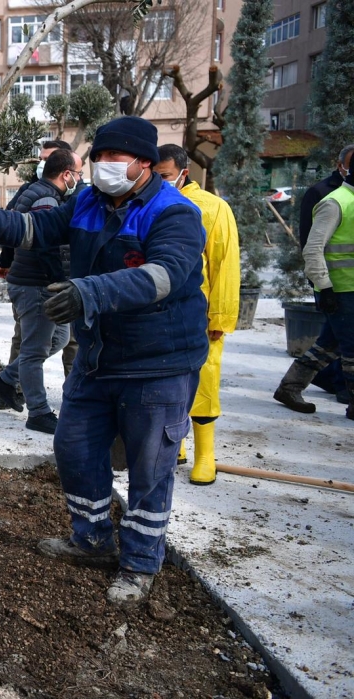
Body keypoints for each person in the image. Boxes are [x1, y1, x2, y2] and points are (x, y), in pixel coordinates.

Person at [0, 116, 208, 605]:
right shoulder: (88, 202)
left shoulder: (173, 212)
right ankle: (91, 538)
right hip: (98, 358)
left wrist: (86, 292)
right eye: (99, 158)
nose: (104, 167)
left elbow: (164, 276)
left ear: (143, 163)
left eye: (115, 159)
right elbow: (34, 228)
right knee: (73, 449)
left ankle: (139, 563)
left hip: (157, 362)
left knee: (149, 467)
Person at [153, 145, 240, 485]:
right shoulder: (146, 205)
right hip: (159, 313)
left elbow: (225, 265)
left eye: (165, 176)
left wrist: (219, 317)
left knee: (204, 383)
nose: (159, 182)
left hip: (199, 315)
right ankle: (178, 443)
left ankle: (206, 455)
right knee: (166, 383)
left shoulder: (213, 208)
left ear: (183, 173)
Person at [0, 149, 84, 434]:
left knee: (60, 338)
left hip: (34, 281)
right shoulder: (45, 199)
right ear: (66, 174)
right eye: (78, 174)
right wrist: (57, 281)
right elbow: (45, 245)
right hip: (36, 284)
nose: (80, 178)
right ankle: (39, 412)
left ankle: (6, 379)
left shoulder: (39, 193)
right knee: (34, 350)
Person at [273, 144, 354, 412]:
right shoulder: (335, 202)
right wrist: (324, 288)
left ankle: (290, 388)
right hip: (340, 290)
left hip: (346, 289)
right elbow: (312, 248)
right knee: (350, 348)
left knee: (328, 344)